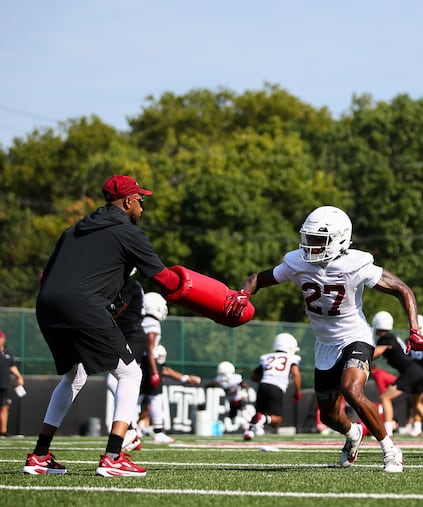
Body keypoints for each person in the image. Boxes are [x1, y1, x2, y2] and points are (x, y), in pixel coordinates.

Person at [23, 174, 252, 477]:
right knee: (130, 373)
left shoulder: (73, 229)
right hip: (84, 305)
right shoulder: (128, 233)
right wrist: (208, 294)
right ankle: (114, 457)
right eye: (141, 201)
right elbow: (165, 281)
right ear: (128, 201)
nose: (142, 208)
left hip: (47, 305)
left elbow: (45, 278)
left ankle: (39, 456)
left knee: (74, 376)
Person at [241, 205, 423, 473]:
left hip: (355, 336)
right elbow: (257, 278)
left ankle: (390, 449)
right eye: (308, 238)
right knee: (328, 415)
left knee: (352, 389)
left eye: (318, 240)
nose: (310, 245)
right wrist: (242, 295)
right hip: (324, 344)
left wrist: (414, 328)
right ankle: (353, 433)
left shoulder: (355, 263)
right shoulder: (296, 262)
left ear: (339, 240)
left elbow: (401, 289)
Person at [371, 311, 423, 439]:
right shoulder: (393, 337)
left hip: (410, 372)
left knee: (385, 398)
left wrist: (360, 357)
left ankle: (387, 432)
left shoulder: (387, 338)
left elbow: (376, 353)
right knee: (417, 404)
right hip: (418, 371)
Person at [106, 276, 147, 451]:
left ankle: (130, 429)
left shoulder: (130, 284)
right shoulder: (116, 282)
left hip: (131, 336)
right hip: (118, 336)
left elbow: (118, 310)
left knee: (119, 379)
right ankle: (130, 429)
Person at [244, 332, 302, 440]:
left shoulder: (266, 357)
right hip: (276, 387)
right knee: (276, 420)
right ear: (290, 346)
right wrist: (298, 391)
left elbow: (254, 376)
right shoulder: (291, 358)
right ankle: (263, 420)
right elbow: (295, 373)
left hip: (263, 385)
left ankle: (249, 432)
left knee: (259, 413)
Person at [137, 292, 177, 443]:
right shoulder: (153, 324)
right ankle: (158, 432)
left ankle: (132, 429)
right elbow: (150, 348)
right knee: (155, 397)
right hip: (148, 363)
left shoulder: (141, 320)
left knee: (137, 398)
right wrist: (155, 370)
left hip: (138, 361)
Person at [208, 360, 251, 430]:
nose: (222, 376)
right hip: (231, 401)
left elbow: (246, 387)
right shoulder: (219, 379)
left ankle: (252, 424)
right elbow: (211, 384)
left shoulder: (236, 378)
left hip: (239, 400)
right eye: (221, 374)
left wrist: (245, 395)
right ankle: (247, 424)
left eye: (223, 374)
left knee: (244, 413)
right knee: (233, 420)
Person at [0, 330, 25, 437]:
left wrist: (19, 377)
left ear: (3, 339)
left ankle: (3, 432)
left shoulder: (7, 353)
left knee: (5, 407)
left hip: (4, 385)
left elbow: (12, 366)